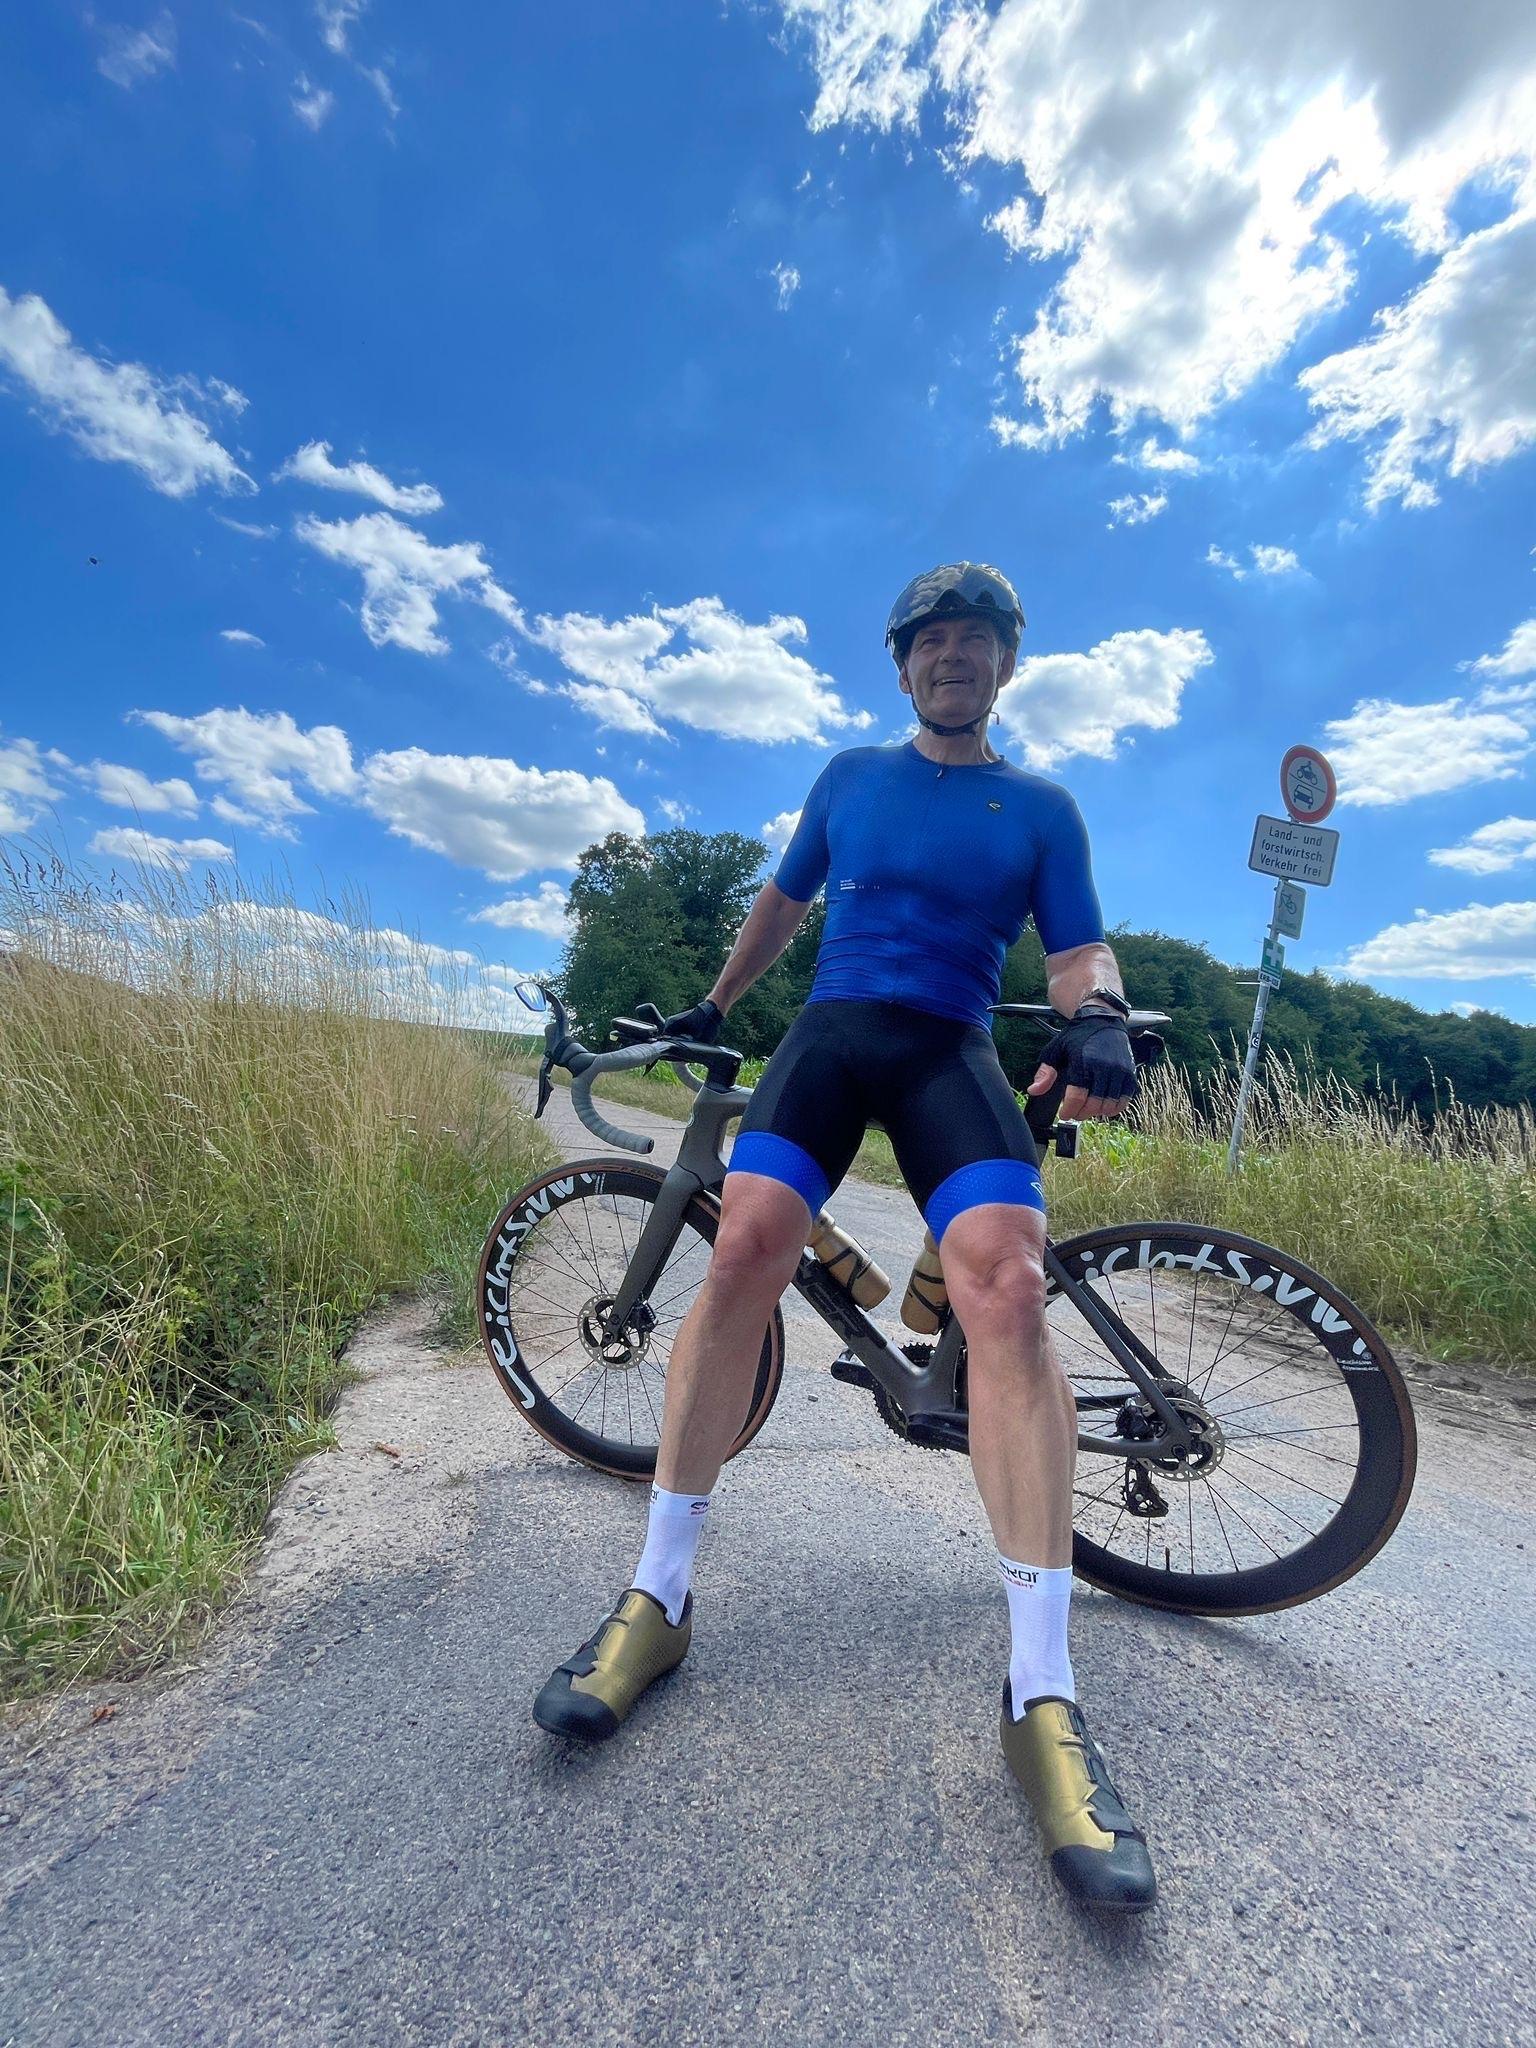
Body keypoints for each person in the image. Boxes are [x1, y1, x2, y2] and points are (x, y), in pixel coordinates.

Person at [533, 563, 1156, 1913]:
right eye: (933, 641)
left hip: (947, 1049)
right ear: (903, 664)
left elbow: (1076, 951)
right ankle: (657, 1600)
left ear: (1005, 668)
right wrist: (714, 1004)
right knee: (747, 1242)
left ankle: (1041, 1692)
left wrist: (1100, 1010)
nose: (953, 657)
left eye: (977, 641)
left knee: (1007, 1286)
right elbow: (783, 903)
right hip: (831, 1034)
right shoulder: (848, 778)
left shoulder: (1042, 808)